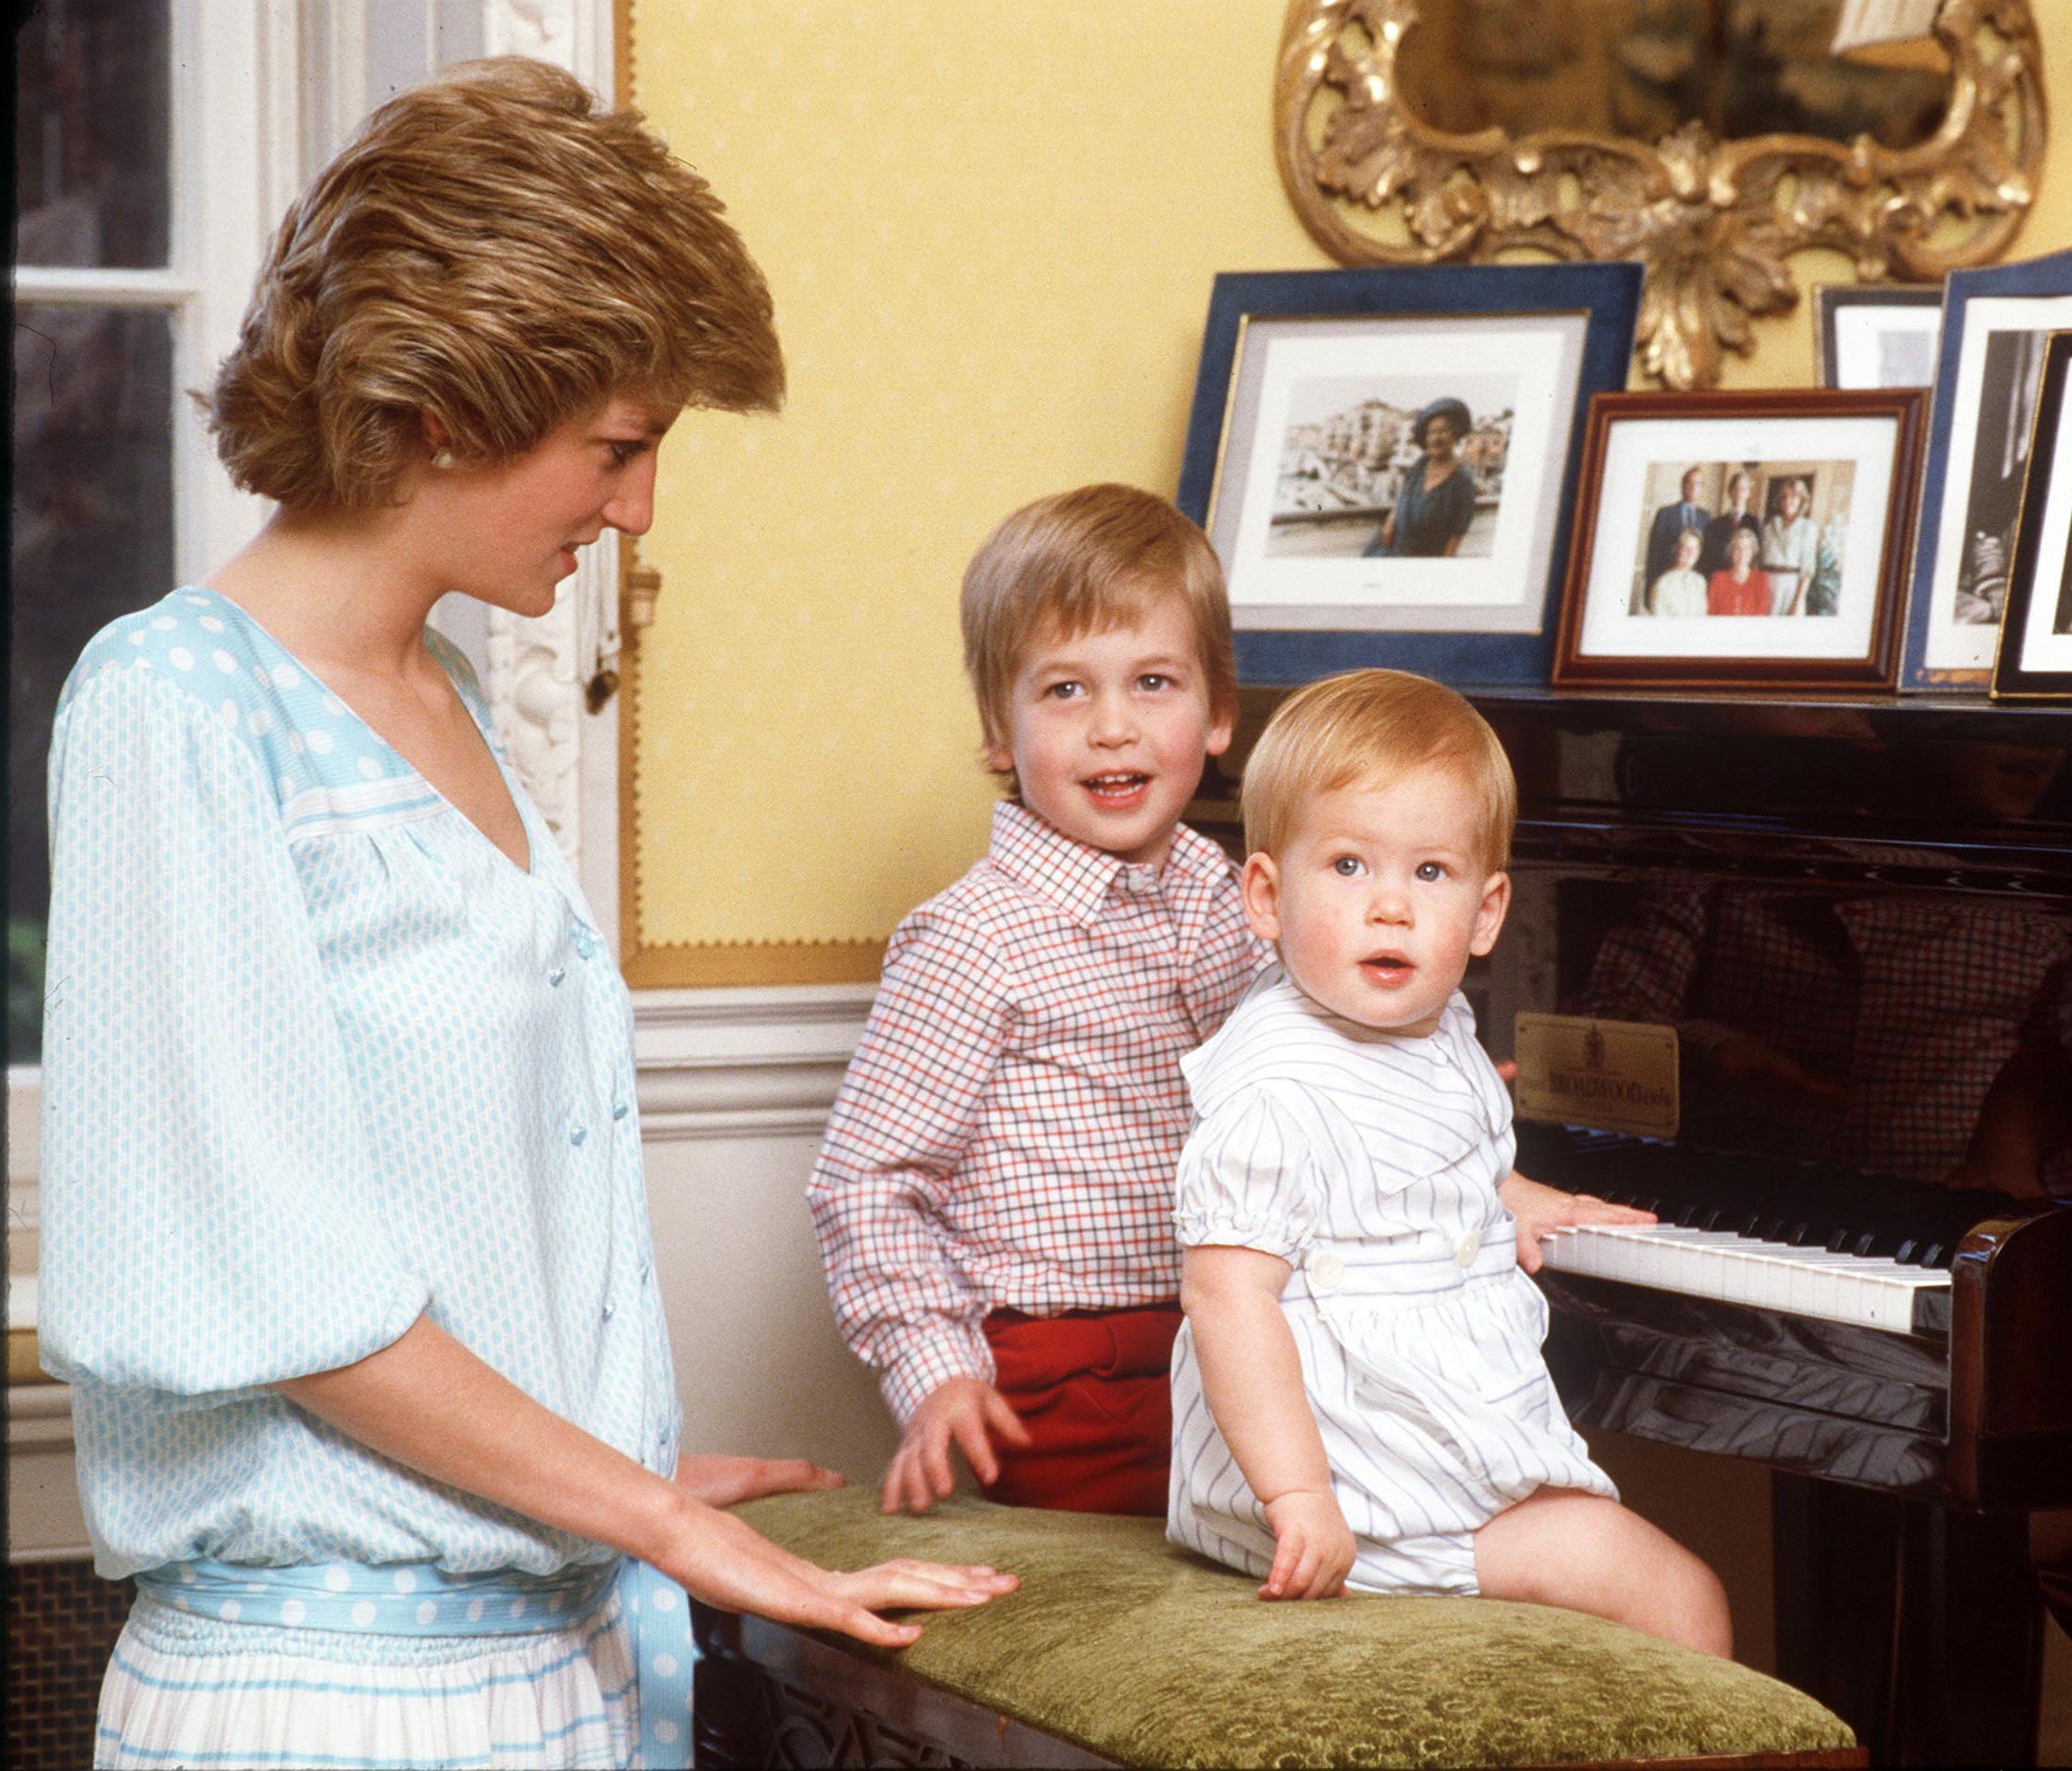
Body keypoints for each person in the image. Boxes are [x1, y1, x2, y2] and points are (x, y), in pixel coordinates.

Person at [38, 59, 1013, 1771]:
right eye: (619, 449)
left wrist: (618, 1479)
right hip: (339, 1707)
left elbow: (460, 1220)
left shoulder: (452, 698)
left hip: (545, 1664)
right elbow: (276, 1296)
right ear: (442, 407)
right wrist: (653, 1516)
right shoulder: (177, 704)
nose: (637, 509)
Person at [1166, 669, 1730, 1655]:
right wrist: (1300, 1497)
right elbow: (1227, 1300)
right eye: (1347, 865)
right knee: (1682, 1600)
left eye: (1430, 873)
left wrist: (1519, 1194)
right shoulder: (1277, 1094)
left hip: (1417, 1454)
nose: (1391, 905)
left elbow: (1440, 1162)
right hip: (1354, 1489)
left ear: (1485, 911)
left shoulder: (1437, 1031)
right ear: (1265, 893)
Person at [807, 484, 1261, 1518]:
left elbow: (1316, 1096)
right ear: (1000, 730)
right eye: (1065, 691)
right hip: (1068, 1366)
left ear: (1219, 711)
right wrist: (937, 1369)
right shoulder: (971, 937)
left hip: (1245, 1331)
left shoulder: (1243, 906)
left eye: (1153, 682)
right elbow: (866, 1183)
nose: (1113, 729)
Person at [1365, 397, 1478, 558]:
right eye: (1431, 432)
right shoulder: (1420, 465)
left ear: (1455, 434)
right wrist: (1390, 522)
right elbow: (1404, 495)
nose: (1436, 438)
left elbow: (1456, 534)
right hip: (1391, 547)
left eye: (1444, 431)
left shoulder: (1462, 482)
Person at [1761, 475, 1819, 616]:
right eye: (1784, 497)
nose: (1788, 501)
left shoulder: (1808, 527)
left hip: (1791, 587)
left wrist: (1798, 600)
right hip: (1767, 584)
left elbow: (1807, 568)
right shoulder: (1769, 526)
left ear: (1801, 500)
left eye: (1793, 496)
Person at [1644, 465, 1710, 590]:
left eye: (1698, 484)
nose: (1693, 487)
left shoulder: (1706, 517)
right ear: (1683, 485)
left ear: (1702, 488)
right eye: (1689, 483)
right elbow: (1654, 552)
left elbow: (1706, 555)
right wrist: (1651, 584)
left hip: (1692, 584)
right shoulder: (1665, 513)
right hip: (1666, 581)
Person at [1699, 470, 1762, 576]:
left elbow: (1757, 557)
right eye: (1736, 488)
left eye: (1743, 489)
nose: (1739, 493)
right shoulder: (1715, 524)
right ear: (1730, 491)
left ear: (1748, 493)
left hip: (1744, 577)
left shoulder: (1755, 523)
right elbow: (1708, 557)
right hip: (1721, 577)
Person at [1708, 525, 1774, 616]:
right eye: (1737, 548)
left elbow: (1761, 612)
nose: (1742, 554)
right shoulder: (1718, 578)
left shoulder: (1762, 579)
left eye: (1747, 549)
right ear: (1730, 551)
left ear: (1753, 552)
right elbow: (1711, 612)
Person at [1646, 523, 1708, 618]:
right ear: (1677, 550)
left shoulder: (1699, 581)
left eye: (1694, 549)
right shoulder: (1663, 583)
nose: (1691, 553)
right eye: (1686, 548)